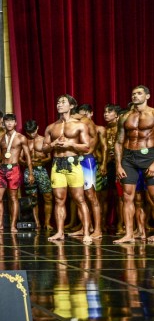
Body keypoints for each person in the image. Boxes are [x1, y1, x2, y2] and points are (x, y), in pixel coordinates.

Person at [42, 95, 92, 244]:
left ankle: (86, 232)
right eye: (58, 102)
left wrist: (71, 144)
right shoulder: (51, 127)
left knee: (79, 199)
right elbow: (44, 149)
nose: (59, 104)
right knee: (59, 200)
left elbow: (87, 147)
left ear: (71, 106)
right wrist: (53, 145)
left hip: (73, 163)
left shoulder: (80, 125)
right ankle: (59, 232)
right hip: (57, 164)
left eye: (63, 102)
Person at [114, 85, 154, 243]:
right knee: (127, 196)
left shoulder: (153, 114)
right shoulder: (125, 117)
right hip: (129, 157)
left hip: (150, 156)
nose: (135, 96)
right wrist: (118, 165)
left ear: (147, 96)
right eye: (133, 94)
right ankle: (129, 234)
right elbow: (118, 142)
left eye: (139, 93)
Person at [0, 113, 34, 232]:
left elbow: (28, 156)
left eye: (11, 121)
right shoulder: (0, 138)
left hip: (14, 169)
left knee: (13, 197)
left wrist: (30, 173)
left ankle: (13, 225)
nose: (9, 123)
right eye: (7, 121)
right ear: (3, 123)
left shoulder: (21, 138)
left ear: (15, 123)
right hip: (2, 170)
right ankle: (0, 224)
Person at [68, 104, 104, 239]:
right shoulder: (75, 122)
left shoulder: (86, 121)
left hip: (87, 160)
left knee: (91, 195)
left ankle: (98, 230)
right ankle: (85, 227)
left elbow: (90, 146)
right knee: (79, 196)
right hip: (76, 160)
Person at [23, 119, 53, 231]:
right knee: (33, 198)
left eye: (34, 131)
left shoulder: (44, 140)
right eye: (29, 132)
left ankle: (47, 223)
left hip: (41, 170)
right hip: (28, 171)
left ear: (37, 128)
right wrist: (27, 163)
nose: (32, 134)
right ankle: (37, 223)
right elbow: (20, 158)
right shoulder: (24, 141)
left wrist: (41, 161)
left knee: (48, 197)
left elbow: (49, 157)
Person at [101, 104, 122, 231]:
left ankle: (120, 224)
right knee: (102, 196)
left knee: (119, 196)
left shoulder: (122, 129)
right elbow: (98, 148)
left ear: (117, 115)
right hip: (106, 165)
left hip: (120, 165)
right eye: (105, 112)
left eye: (109, 112)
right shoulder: (103, 130)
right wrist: (103, 162)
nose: (106, 114)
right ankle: (102, 223)